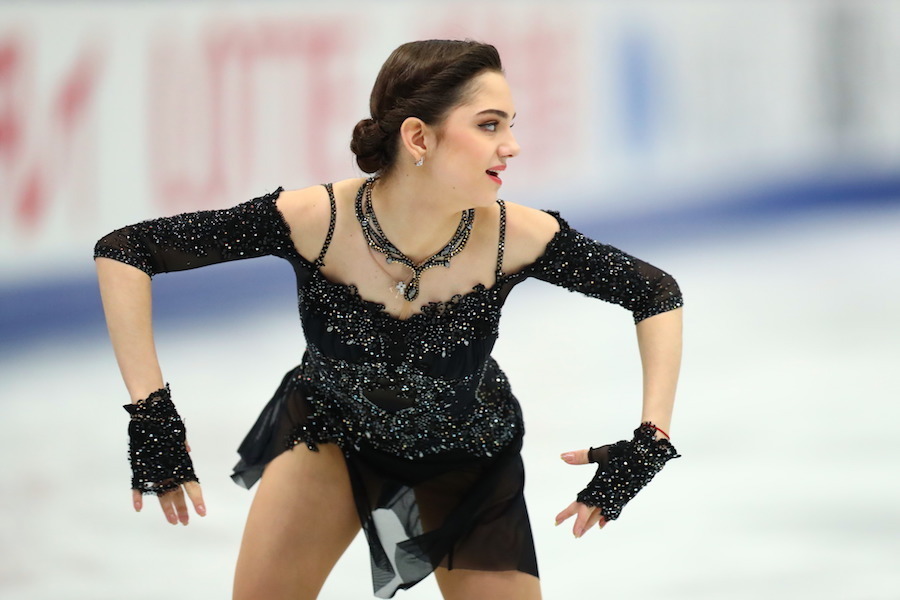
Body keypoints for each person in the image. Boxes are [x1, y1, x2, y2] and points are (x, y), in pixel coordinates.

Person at [94, 39, 683, 600]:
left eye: (511, 125)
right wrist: (152, 415)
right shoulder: (314, 220)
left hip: (468, 456)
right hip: (331, 436)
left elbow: (655, 292)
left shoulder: (517, 236)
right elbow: (126, 249)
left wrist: (652, 437)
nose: (511, 146)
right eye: (489, 124)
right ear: (418, 137)